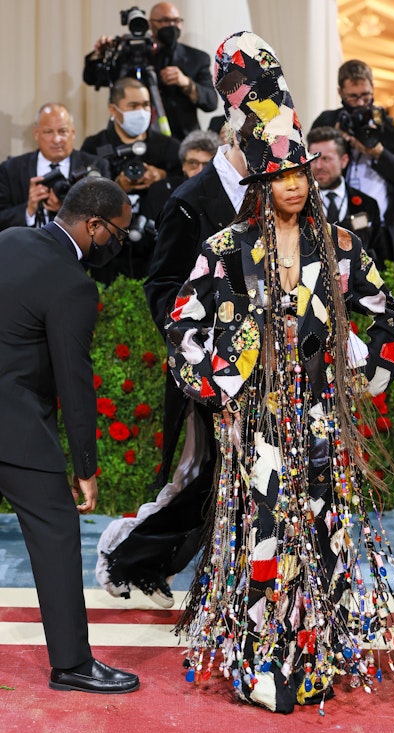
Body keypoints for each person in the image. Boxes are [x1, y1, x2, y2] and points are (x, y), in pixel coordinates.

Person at [165, 31, 394, 714]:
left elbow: (386, 319)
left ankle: (315, 654)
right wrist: (223, 381)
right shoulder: (227, 247)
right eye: (280, 177)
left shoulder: (342, 248)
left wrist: (369, 370)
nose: (294, 186)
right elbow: (182, 324)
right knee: (264, 531)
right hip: (259, 421)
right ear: (263, 183)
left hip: (323, 417)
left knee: (326, 532)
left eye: (302, 174)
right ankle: (261, 658)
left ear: (312, 176)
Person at [95, 133, 249, 606]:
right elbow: (162, 283)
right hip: (205, 365)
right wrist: (192, 340)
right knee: (213, 475)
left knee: (223, 476)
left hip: (256, 366)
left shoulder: (268, 188)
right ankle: (128, 554)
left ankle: (145, 561)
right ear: (232, 135)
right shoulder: (189, 200)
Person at [0, 175, 139, 694]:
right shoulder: (73, 283)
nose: (117, 246)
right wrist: (86, 468)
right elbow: (74, 386)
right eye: (117, 236)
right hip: (14, 427)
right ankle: (73, 664)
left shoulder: (10, 239)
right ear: (95, 225)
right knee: (56, 533)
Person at [311, 59, 394, 264]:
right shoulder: (329, 122)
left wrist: (378, 152)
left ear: (373, 88)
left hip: (388, 234)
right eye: (353, 97)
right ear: (340, 93)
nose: (361, 103)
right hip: (341, 229)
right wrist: (339, 140)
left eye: (365, 95)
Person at [81, 77, 182, 283]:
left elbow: (187, 183)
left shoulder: (169, 147)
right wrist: (117, 187)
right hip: (107, 250)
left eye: (145, 105)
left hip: (155, 249)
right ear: (113, 109)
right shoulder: (94, 146)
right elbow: (83, 194)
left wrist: (162, 177)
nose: (141, 111)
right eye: (133, 106)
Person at [83, 2, 218, 141]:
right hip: (134, 138)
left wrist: (186, 83)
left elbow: (211, 103)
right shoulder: (130, 55)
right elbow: (92, 78)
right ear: (150, 24)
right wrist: (100, 54)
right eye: (165, 21)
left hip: (181, 139)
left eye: (176, 21)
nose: (171, 25)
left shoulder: (197, 58)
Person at [0, 103, 109, 232]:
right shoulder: (11, 169)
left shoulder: (96, 166)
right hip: (26, 248)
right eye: (48, 132)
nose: (56, 139)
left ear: (72, 133)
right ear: (36, 133)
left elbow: (107, 218)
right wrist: (29, 210)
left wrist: (66, 212)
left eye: (62, 131)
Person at [306, 126, 380, 261]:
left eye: (326, 159)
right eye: (313, 159)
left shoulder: (368, 204)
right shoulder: (300, 204)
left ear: (344, 160)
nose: (318, 166)